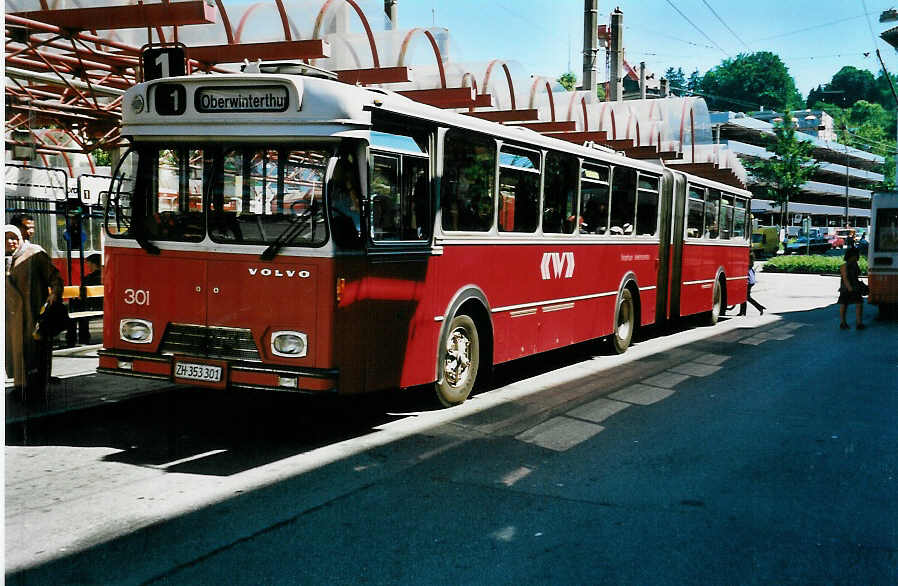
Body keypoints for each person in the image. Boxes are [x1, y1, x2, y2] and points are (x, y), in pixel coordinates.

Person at [6, 224, 64, 403]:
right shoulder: (5, 257)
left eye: (14, 237)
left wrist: (55, 293)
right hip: (11, 317)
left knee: (35, 351)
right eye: (6, 238)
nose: (10, 241)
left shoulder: (34, 253)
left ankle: (37, 389)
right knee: (15, 352)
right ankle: (20, 386)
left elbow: (55, 277)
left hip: (33, 313)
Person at [66, 253, 102, 346]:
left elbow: (82, 294)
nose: (87, 265)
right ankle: (83, 338)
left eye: (88, 263)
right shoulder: (104, 276)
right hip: (99, 304)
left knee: (74, 312)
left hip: (92, 306)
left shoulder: (90, 278)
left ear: (93, 264)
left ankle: (72, 339)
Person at [838, 247, 866, 330]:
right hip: (847, 289)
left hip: (855, 287)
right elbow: (845, 278)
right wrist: (850, 288)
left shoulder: (855, 265)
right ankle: (843, 323)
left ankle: (859, 323)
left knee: (858, 304)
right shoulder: (844, 266)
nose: (858, 256)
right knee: (845, 305)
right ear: (852, 255)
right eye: (857, 255)